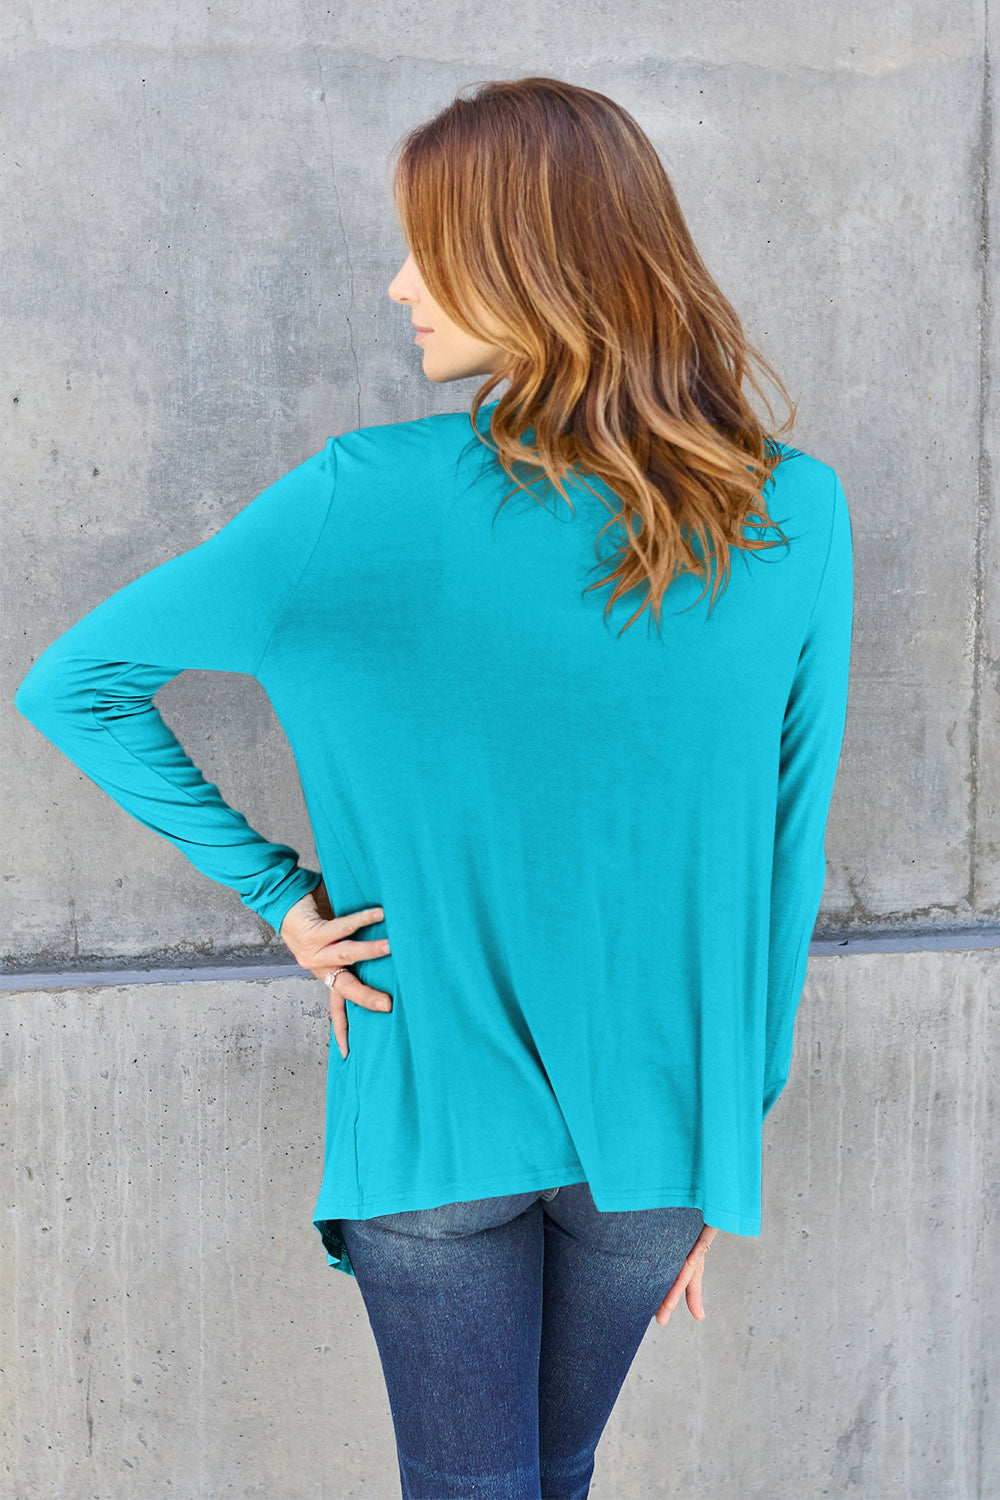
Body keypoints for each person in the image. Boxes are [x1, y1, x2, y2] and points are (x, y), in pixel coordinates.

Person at [13, 75, 853, 1500]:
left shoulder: (356, 498)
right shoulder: (789, 507)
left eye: (431, 247)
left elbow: (72, 685)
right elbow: (787, 856)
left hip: (432, 1114)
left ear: (533, 262)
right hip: (661, 1137)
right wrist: (728, 1143)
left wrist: (281, 895)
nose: (397, 283)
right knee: (560, 1475)